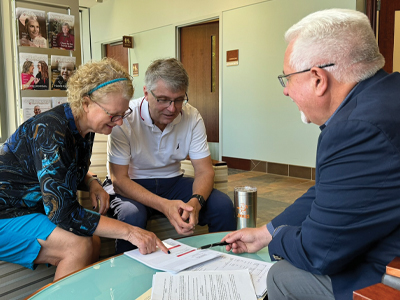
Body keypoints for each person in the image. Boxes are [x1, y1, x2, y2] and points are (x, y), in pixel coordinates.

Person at [222, 8, 400, 300]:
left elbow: (318, 252)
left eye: (288, 79)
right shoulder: (387, 94)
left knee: (282, 276)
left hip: (389, 273)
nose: (286, 92)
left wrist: (276, 240)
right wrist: (267, 230)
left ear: (318, 78)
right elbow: (330, 192)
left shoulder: (356, 129)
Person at [0, 58, 168, 281]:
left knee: (93, 240)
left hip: (27, 208)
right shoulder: (51, 131)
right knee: (78, 245)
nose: (119, 122)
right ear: (86, 103)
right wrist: (130, 231)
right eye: (113, 115)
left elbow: (60, 170)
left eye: (123, 114)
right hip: (6, 212)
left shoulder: (83, 128)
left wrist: (91, 182)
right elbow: (62, 212)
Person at [106, 58, 236, 254]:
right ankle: (129, 277)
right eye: (163, 100)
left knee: (222, 205)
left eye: (178, 100)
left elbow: (204, 171)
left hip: (173, 183)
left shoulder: (192, 116)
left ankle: (223, 262)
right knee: (131, 216)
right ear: (146, 93)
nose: (172, 108)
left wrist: (196, 202)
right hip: (133, 185)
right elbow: (119, 180)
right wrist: (165, 206)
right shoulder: (125, 117)